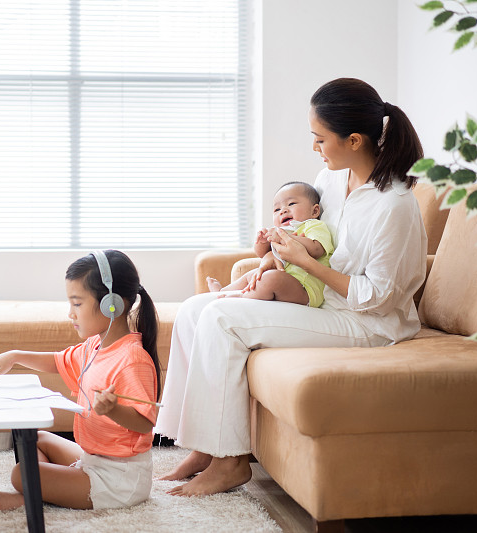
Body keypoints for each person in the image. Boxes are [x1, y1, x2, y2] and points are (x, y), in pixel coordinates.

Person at [154, 77, 428, 497]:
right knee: (195, 308)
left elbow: (376, 297)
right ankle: (203, 448)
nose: (315, 148)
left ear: (354, 140)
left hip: (367, 323)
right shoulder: (331, 181)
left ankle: (230, 463)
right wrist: (276, 250)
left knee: (223, 319)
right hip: (320, 303)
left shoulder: (394, 205)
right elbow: (312, 238)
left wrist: (303, 261)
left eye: (320, 139)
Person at [0, 249, 161, 512]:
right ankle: (47, 492)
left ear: (111, 304)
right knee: (37, 439)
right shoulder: (95, 346)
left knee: (20, 473)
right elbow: (57, 361)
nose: (70, 313)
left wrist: (113, 409)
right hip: (94, 459)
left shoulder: (133, 359)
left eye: (77, 304)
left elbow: (144, 422)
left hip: (119, 479)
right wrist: (13, 356)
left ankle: (28, 498)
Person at [207, 181, 334, 306]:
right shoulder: (279, 231)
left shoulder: (313, 225)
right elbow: (263, 254)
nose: (283, 211)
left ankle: (241, 297)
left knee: (271, 279)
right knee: (254, 275)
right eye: (277, 209)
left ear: (315, 211)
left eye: (291, 203)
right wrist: (262, 242)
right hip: (285, 279)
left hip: (305, 289)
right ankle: (223, 291)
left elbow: (317, 249)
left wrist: (285, 238)